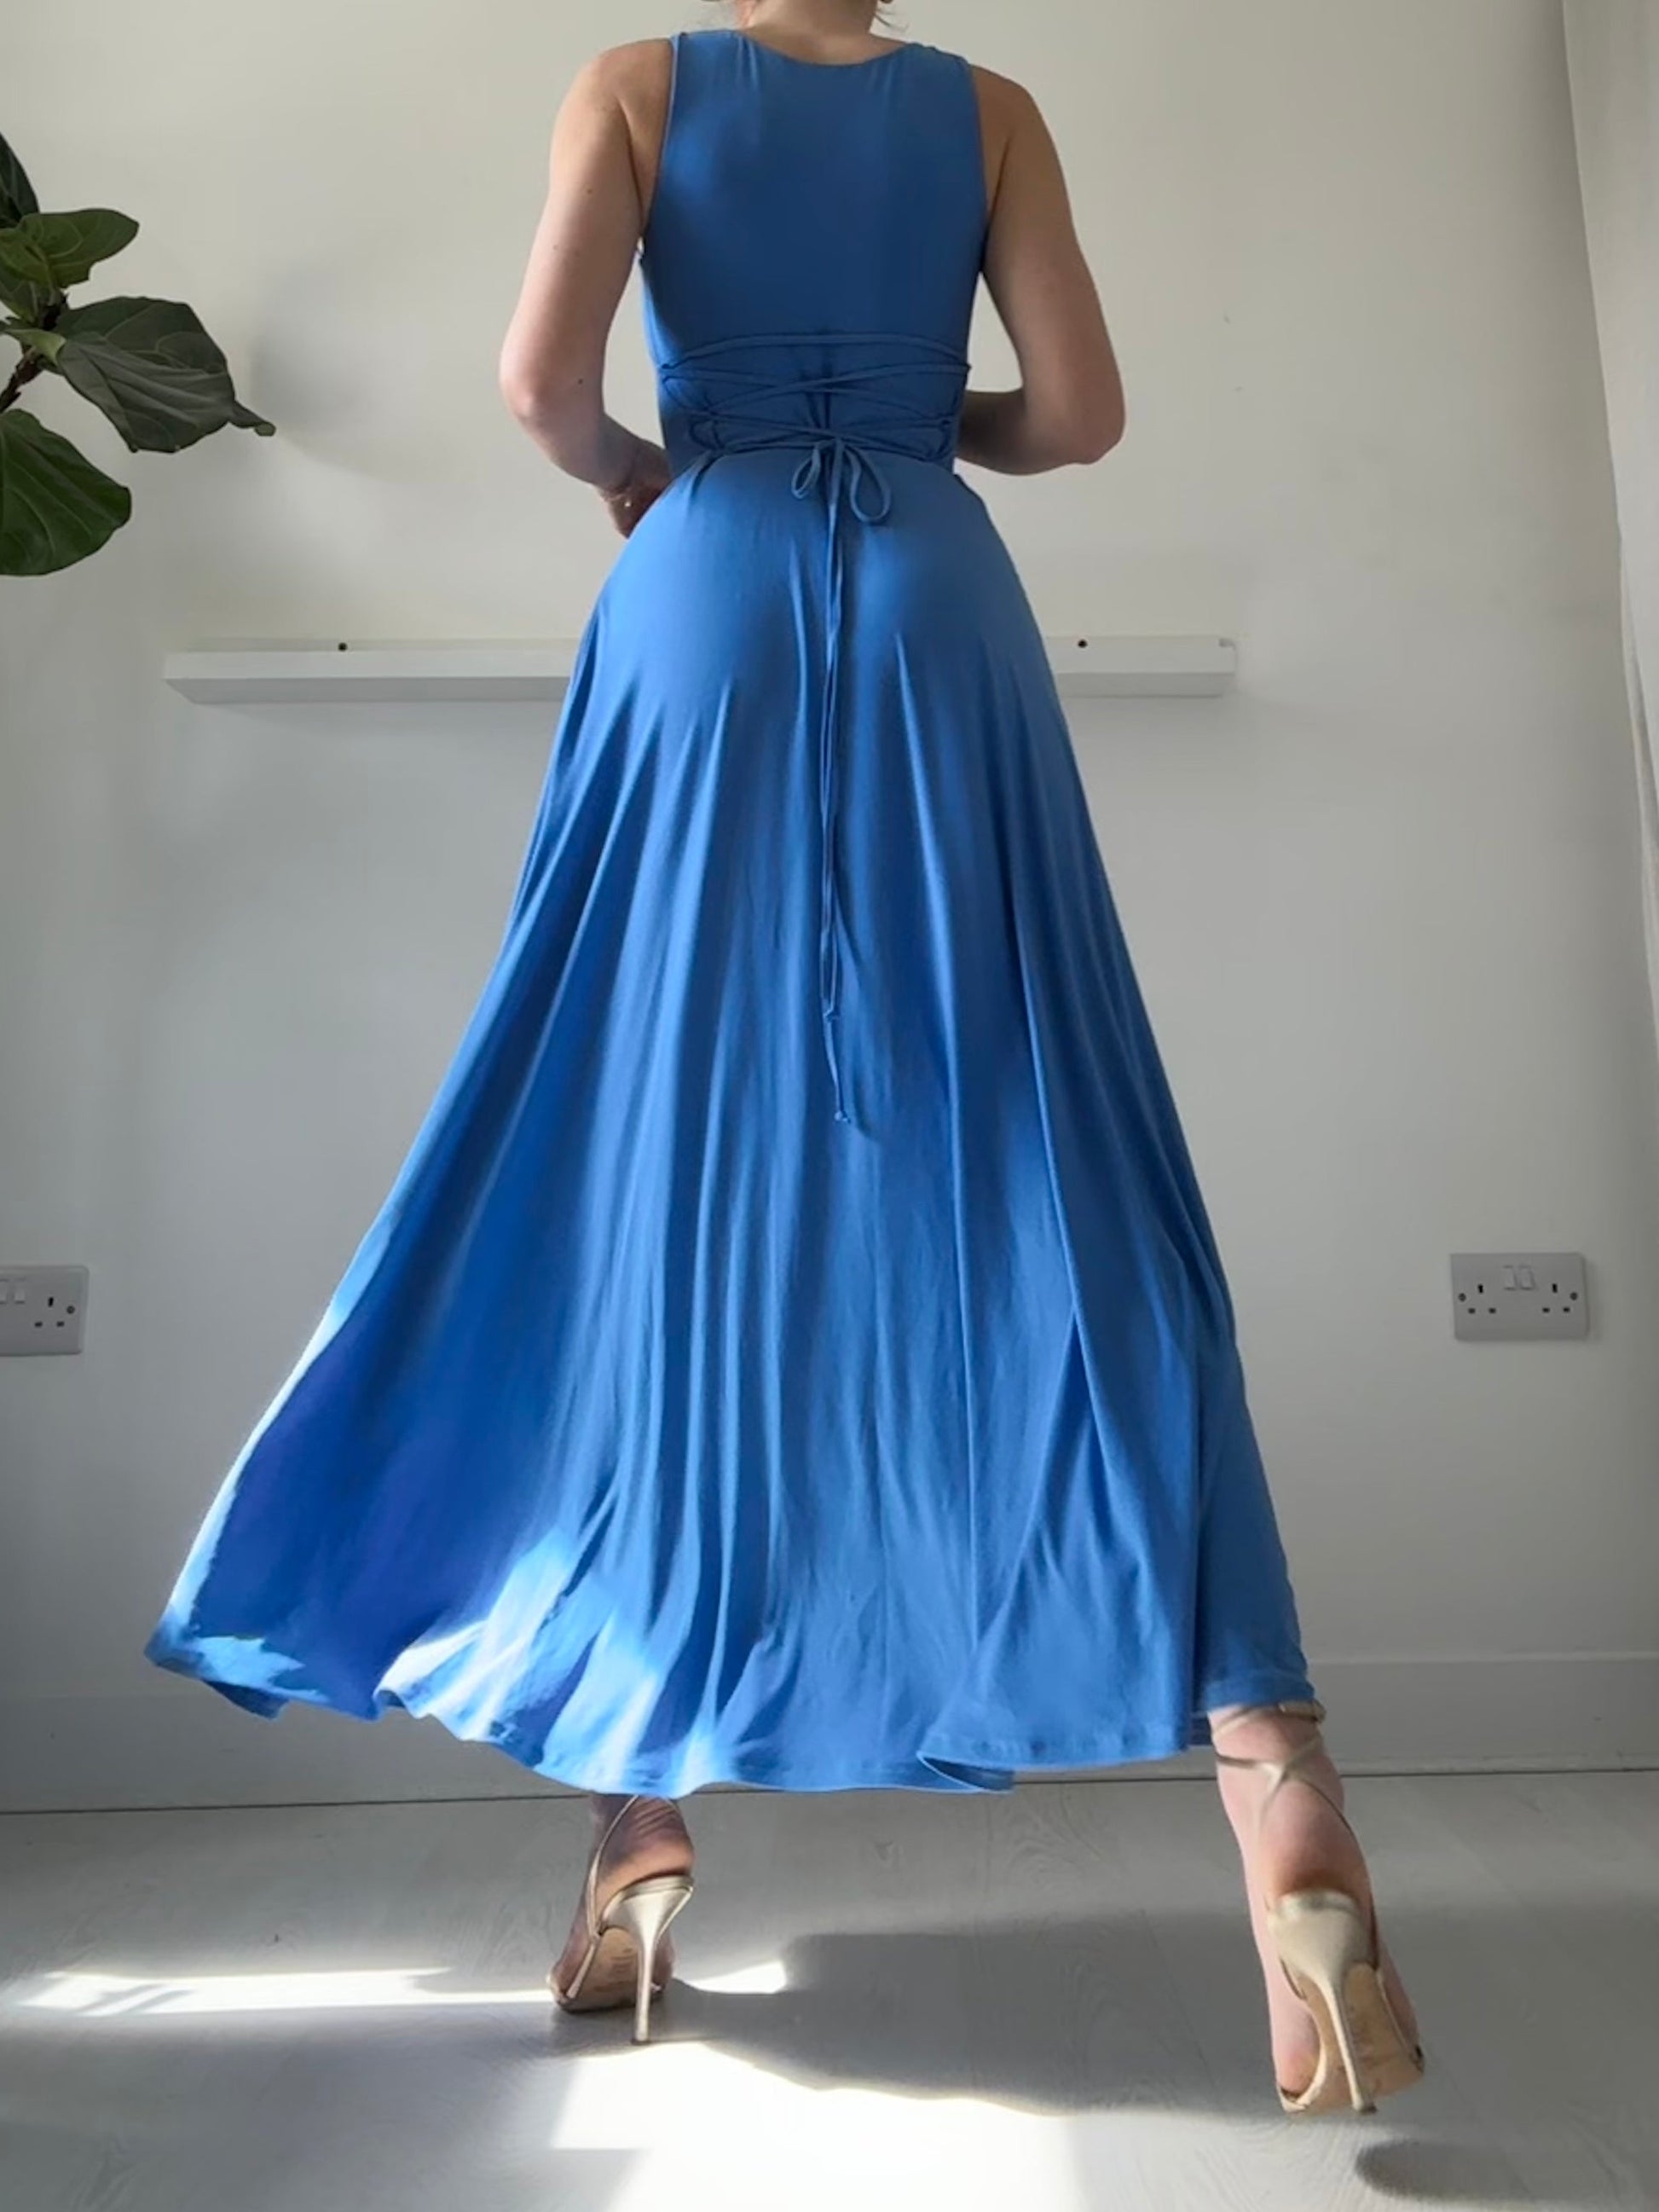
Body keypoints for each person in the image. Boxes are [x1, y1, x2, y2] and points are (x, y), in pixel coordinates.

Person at [145, 0, 1424, 2115]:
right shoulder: (987, 111)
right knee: (1054, 1150)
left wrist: (650, 468)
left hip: (704, 590)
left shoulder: (635, 87)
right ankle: (1276, 1783)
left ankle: (636, 1816)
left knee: (638, 1161)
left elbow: (541, 389)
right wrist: (921, 427)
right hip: (939, 604)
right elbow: (1082, 416)